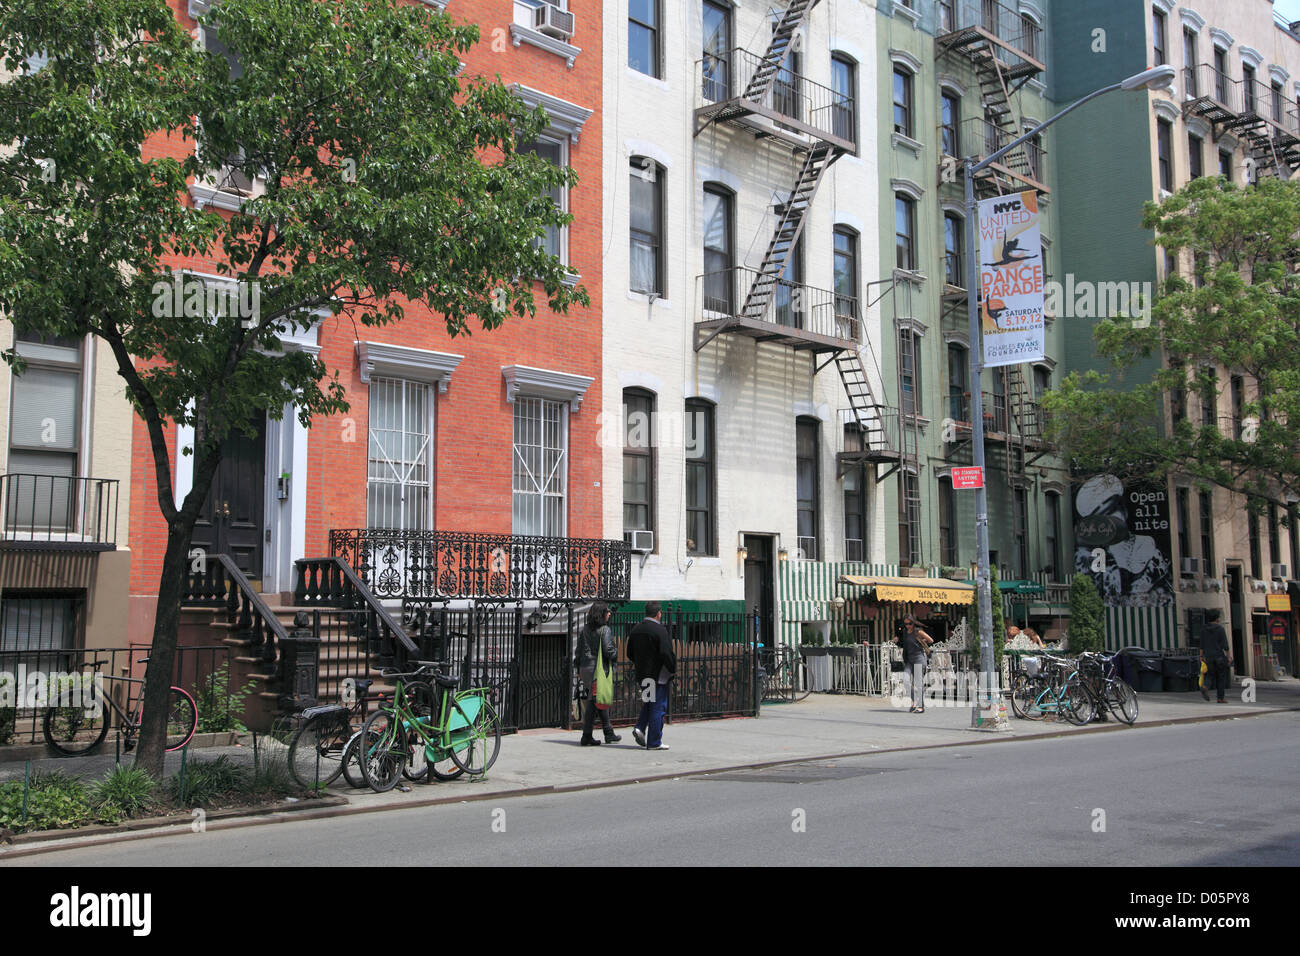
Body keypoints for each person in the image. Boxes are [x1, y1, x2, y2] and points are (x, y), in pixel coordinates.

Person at [627, 601, 675, 750]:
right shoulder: (660, 630)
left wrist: (640, 663)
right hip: (658, 674)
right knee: (658, 707)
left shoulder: (636, 629)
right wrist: (672, 668)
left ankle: (640, 728)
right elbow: (666, 652)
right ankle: (654, 741)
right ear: (658, 613)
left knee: (649, 702)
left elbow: (629, 653)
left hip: (643, 673)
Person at [574, 601, 621, 746]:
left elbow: (578, 650)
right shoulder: (605, 630)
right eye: (607, 611)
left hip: (585, 668)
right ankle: (587, 735)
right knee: (594, 701)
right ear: (601, 614)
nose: (609, 614)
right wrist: (616, 653)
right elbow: (608, 650)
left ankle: (607, 732)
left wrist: (578, 668)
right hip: (597, 670)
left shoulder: (585, 629)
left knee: (595, 699)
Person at [895, 615, 933, 713]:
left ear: (913, 622)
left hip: (918, 659)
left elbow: (930, 640)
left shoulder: (918, 631)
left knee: (918, 683)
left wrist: (921, 641)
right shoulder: (904, 632)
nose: (908, 626)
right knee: (905, 680)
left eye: (910, 623)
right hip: (909, 660)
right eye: (906, 624)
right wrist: (897, 641)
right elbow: (904, 645)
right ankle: (914, 699)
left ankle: (921, 706)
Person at [1200, 608, 1233, 703]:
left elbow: (1201, 644)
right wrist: (1228, 656)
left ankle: (1205, 686)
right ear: (1217, 619)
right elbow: (1225, 644)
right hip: (1219, 656)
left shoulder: (1203, 629)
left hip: (1208, 656)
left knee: (1209, 674)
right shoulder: (1220, 629)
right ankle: (1220, 698)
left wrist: (1201, 656)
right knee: (1221, 676)